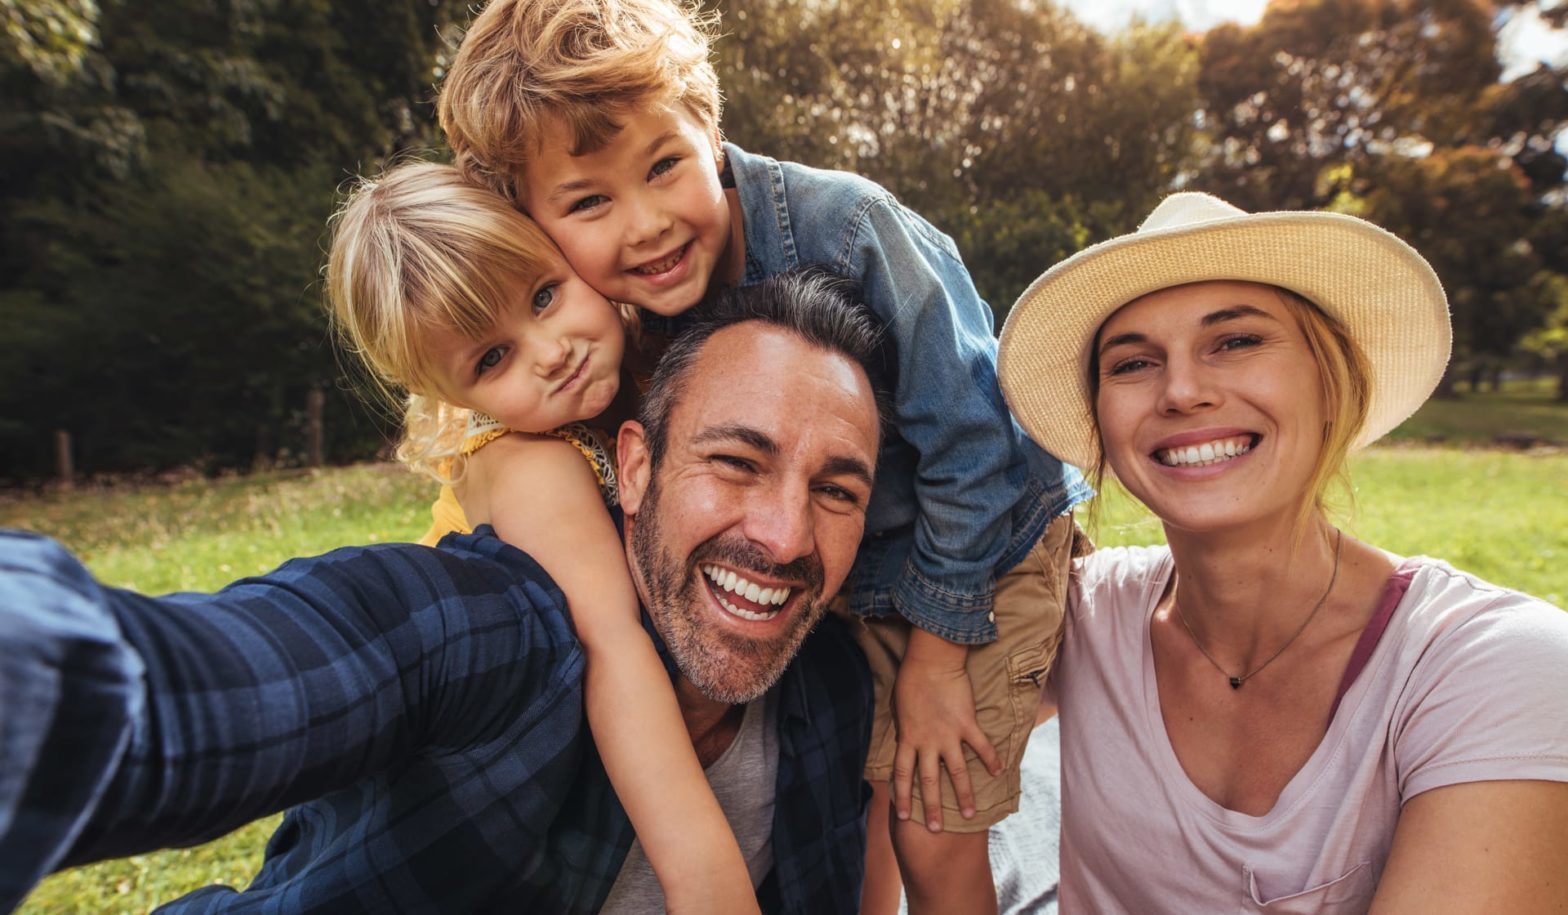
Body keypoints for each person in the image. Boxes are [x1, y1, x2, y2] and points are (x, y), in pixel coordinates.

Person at [435, 2, 1093, 909]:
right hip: (853, 570)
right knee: (865, 787)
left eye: (664, 166)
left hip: (989, 553)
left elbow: (978, 440)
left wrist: (939, 661)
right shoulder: (627, 318)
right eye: (590, 202)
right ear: (538, 223)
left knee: (932, 810)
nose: (647, 224)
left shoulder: (852, 231)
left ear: (709, 128)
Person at [0, 271, 883, 914]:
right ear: (635, 464)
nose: (783, 535)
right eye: (735, 461)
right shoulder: (485, 629)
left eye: (837, 490)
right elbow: (203, 689)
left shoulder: (836, 692)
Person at [996, 191, 1568, 911]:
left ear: (1333, 382)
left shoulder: (1497, 667)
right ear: (1102, 422)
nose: (1181, 390)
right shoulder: (1079, 614)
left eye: (1236, 341)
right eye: (1133, 362)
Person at [327, 159, 758, 912]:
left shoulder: (643, 363)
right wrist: (712, 894)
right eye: (494, 358)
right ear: (446, 394)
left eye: (544, 294)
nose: (551, 349)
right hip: (476, 786)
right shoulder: (530, 467)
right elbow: (613, 657)